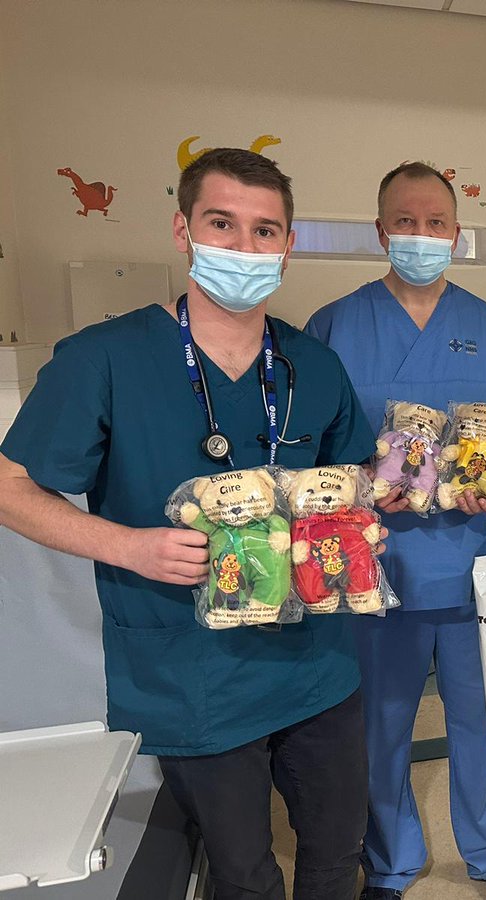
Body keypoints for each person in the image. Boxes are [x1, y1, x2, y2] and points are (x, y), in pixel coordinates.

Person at [0, 148, 378, 900]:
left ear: (287, 245)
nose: (245, 248)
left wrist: (363, 524)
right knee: (243, 874)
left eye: (265, 231)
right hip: (192, 671)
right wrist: (128, 546)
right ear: (183, 230)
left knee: (338, 855)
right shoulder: (103, 359)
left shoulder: (312, 365)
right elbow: (10, 487)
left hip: (317, 664)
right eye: (222, 225)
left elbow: (353, 480)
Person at [305, 163, 486, 900]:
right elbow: (307, 449)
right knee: (381, 725)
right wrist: (368, 488)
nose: (421, 236)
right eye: (405, 223)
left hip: (474, 562)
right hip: (376, 563)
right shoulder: (335, 324)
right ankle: (391, 859)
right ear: (381, 232)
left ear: (456, 234)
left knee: (482, 718)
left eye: (436, 224)